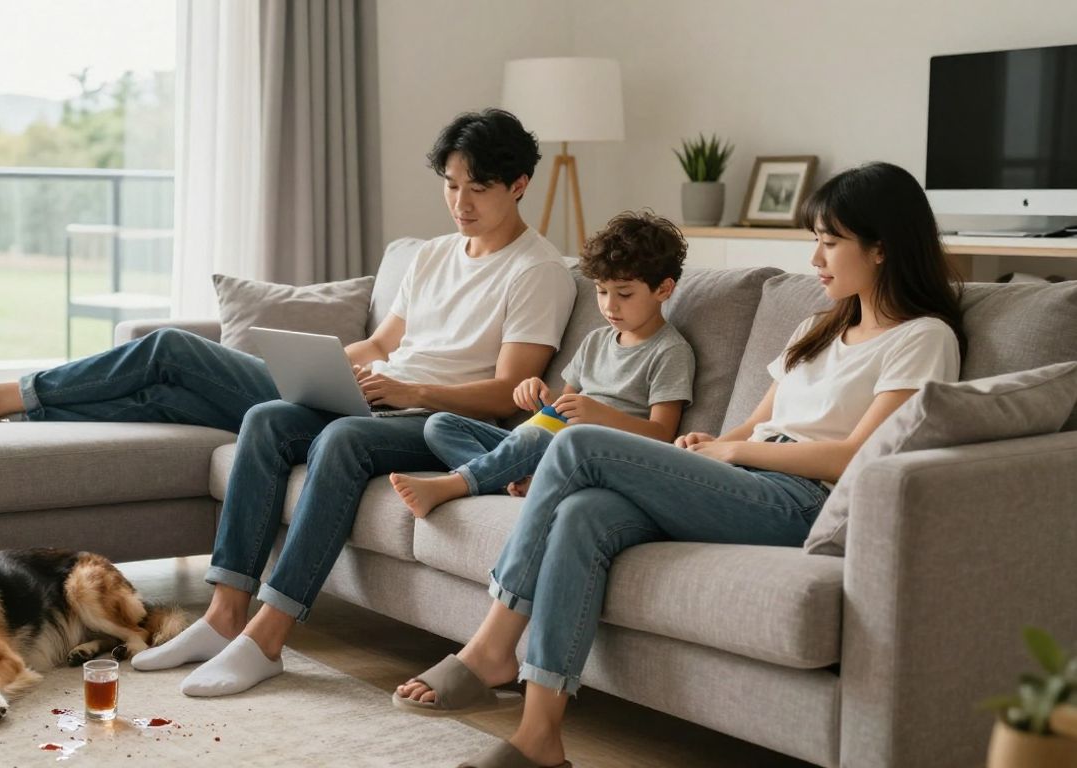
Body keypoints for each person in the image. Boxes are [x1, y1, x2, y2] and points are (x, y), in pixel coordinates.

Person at [0, 108, 577, 697]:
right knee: (261, 417)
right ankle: (224, 615)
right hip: (376, 398)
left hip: (434, 421)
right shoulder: (431, 255)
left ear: (519, 185)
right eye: (450, 186)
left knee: (227, 384)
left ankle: (268, 639)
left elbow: (503, 394)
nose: (459, 203)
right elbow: (381, 344)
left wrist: (411, 390)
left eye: (477, 189)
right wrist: (314, 370)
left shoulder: (538, 270)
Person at [391, 161, 967, 768]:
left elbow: (860, 456)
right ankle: (540, 737)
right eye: (814, 242)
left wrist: (733, 450)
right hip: (747, 480)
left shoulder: (922, 338)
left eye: (829, 242)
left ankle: (490, 647)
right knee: (585, 512)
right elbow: (755, 424)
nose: (816, 259)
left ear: (880, 249)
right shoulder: (818, 328)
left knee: (577, 443)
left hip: (803, 502)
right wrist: (714, 446)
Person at [389, 210, 695, 518]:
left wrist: (600, 415)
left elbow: (662, 434)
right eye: (602, 291)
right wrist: (540, 396)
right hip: (548, 441)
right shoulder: (597, 340)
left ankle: (455, 484)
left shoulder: (670, 351)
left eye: (624, 294)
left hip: (592, 453)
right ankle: (515, 481)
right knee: (441, 424)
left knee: (537, 437)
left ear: (664, 290)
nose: (609, 305)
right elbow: (562, 406)